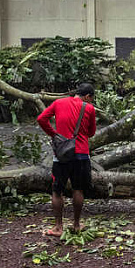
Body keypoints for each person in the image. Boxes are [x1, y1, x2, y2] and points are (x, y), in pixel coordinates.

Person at [37, 83, 97, 236]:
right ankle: (76, 224)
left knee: (57, 191)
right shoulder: (89, 108)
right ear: (88, 96)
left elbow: (41, 119)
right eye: (91, 99)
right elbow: (91, 133)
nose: (90, 102)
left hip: (61, 154)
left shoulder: (58, 103)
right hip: (81, 154)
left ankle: (58, 227)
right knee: (78, 189)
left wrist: (54, 134)